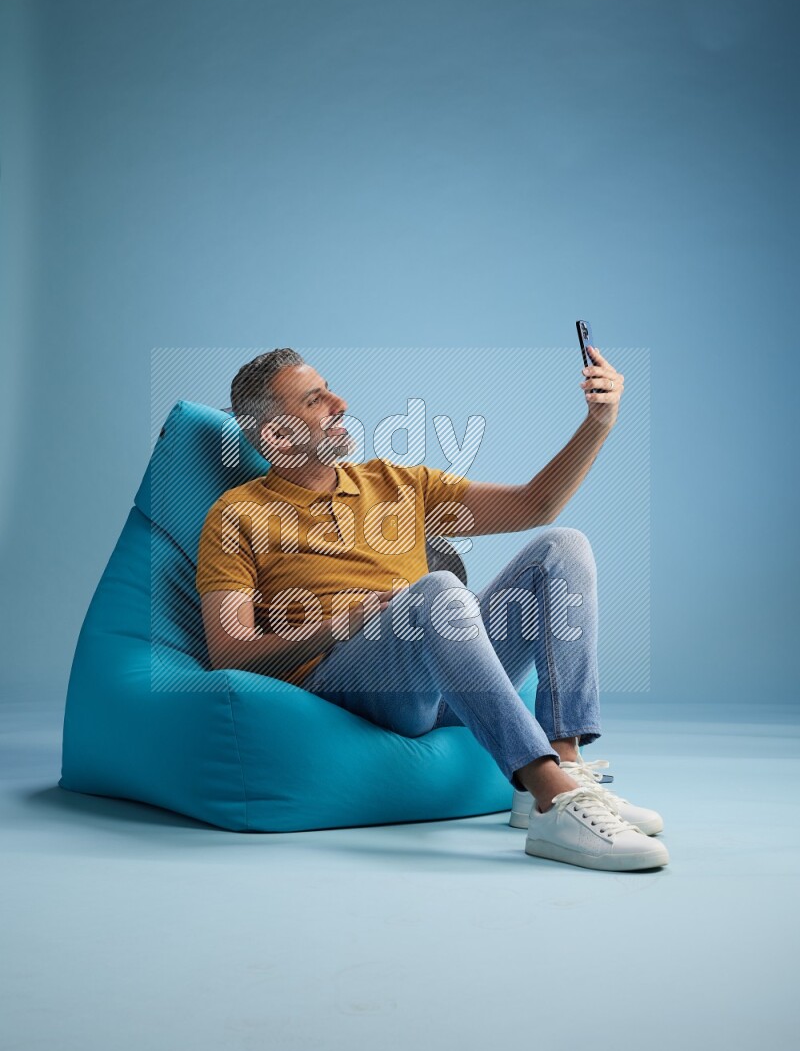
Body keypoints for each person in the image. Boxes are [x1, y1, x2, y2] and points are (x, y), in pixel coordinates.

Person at [196, 348, 669, 872]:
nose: (340, 403)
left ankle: (567, 768)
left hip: (446, 680)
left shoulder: (394, 483)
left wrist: (598, 423)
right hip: (351, 688)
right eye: (315, 400)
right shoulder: (236, 514)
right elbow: (228, 653)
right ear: (279, 437)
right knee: (439, 590)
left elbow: (535, 505)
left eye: (330, 389)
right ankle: (551, 798)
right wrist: (338, 625)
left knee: (563, 547)